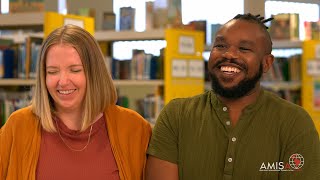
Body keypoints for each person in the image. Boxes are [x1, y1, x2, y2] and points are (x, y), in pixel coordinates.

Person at [146, 13, 320, 180]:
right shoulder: (176, 116)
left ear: (267, 63)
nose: (228, 54)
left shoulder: (294, 122)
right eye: (220, 46)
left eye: (244, 48)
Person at [0, 24, 152, 180]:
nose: (63, 81)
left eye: (75, 70)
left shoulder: (134, 129)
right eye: (52, 71)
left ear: (94, 73)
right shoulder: (18, 126)